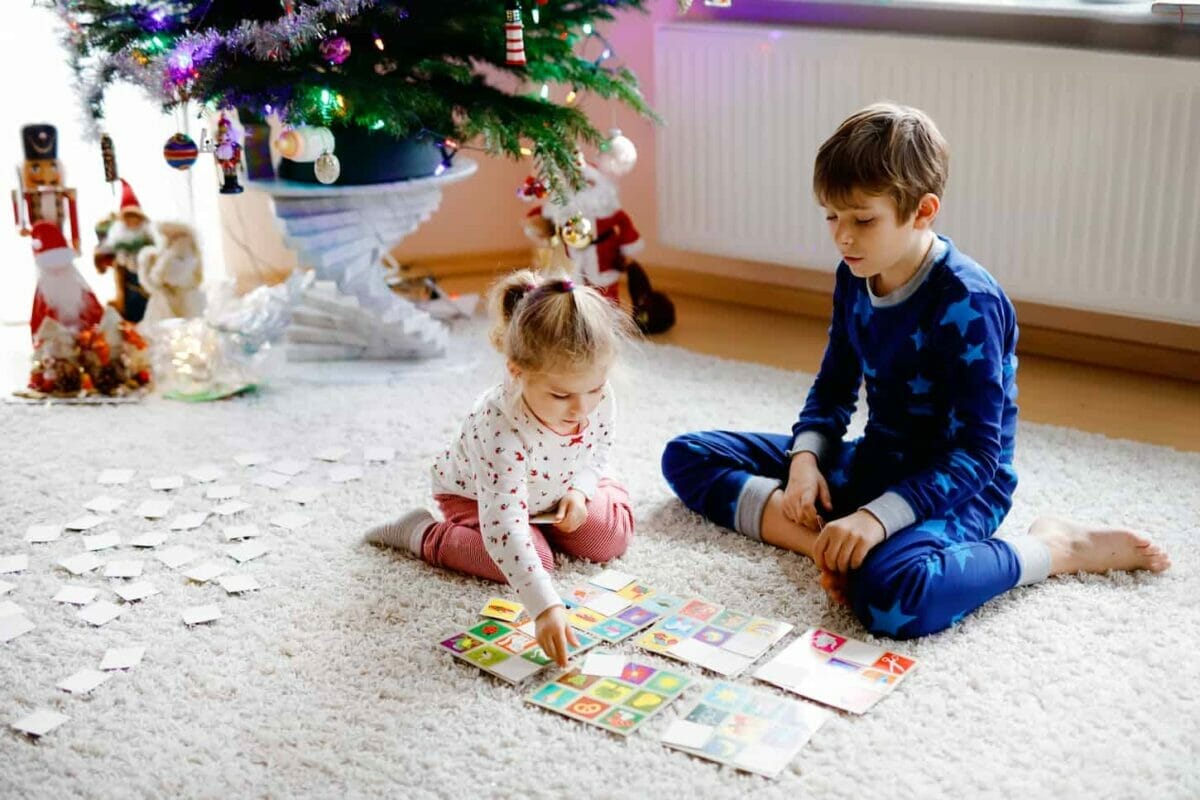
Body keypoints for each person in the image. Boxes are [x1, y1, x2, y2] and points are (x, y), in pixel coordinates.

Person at [661, 103, 1170, 640]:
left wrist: (879, 519)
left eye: (863, 220)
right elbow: (834, 386)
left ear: (923, 211)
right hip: (878, 459)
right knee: (688, 456)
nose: (843, 238)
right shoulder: (854, 274)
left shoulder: (968, 301)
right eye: (831, 216)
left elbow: (980, 455)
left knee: (892, 599)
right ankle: (831, 546)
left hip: (960, 484)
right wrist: (806, 460)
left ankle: (1055, 549)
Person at [366, 270, 638, 664]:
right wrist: (544, 607)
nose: (582, 409)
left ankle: (593, 495)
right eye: (561, 395)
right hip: (477, 497)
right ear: (517, 372)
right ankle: (423, 533)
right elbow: (504, 527)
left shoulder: (596, 396)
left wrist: (581, 490)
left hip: (558, 487)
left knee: (606, 539)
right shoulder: (499, 427)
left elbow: (597, 449)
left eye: (595, 389)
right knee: (534, 565)